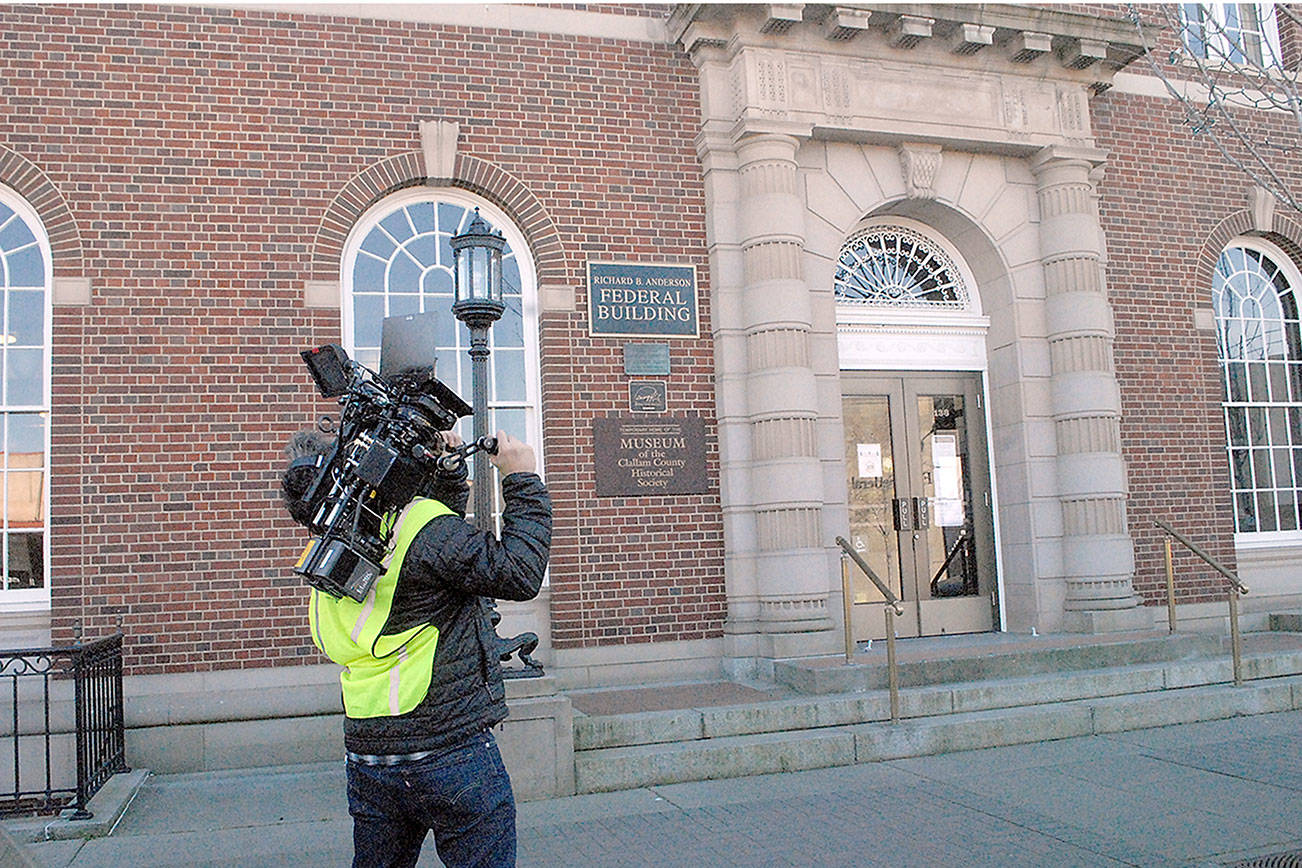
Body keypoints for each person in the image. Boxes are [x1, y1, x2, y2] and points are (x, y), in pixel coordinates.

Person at [281, 427, 551, 868]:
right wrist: (521, 479)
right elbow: (518, 571)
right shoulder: (418, 527)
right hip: (449, 752)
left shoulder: (329, 550)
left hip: (371, 756)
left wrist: (446, 472)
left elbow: (431, 557)